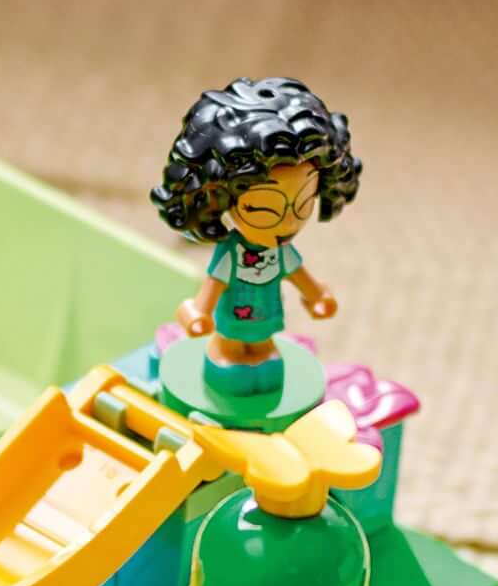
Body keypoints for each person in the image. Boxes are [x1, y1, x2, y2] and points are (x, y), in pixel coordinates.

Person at [150, 75, 360, 396]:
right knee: (231, 349)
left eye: (304, 202)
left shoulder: (282, 250)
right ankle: (226, 356)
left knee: (265, 349)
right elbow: (214, 283)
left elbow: (299, 274)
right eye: (264, 208)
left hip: (266, 313)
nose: (288, 222)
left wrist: (316, 295)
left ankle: (260, 357)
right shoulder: (231, 252)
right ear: (220, 198)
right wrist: (199, 311)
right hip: (233, 317)